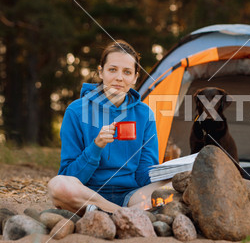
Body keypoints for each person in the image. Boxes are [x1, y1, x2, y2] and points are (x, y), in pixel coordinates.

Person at [48, 39, 169, 215]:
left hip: (131, 195)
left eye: (127, 72)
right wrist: (96, 147)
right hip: (88, 194)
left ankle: (108, 213)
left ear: (135, 77)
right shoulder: (76, 111)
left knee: (177, 184)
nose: (119, 77)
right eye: (112, 70)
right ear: (101, 72)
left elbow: (144, 174)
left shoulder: (145, 114)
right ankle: (124, 214)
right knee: (57, 185)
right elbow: (70, 175)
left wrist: (169, 175)